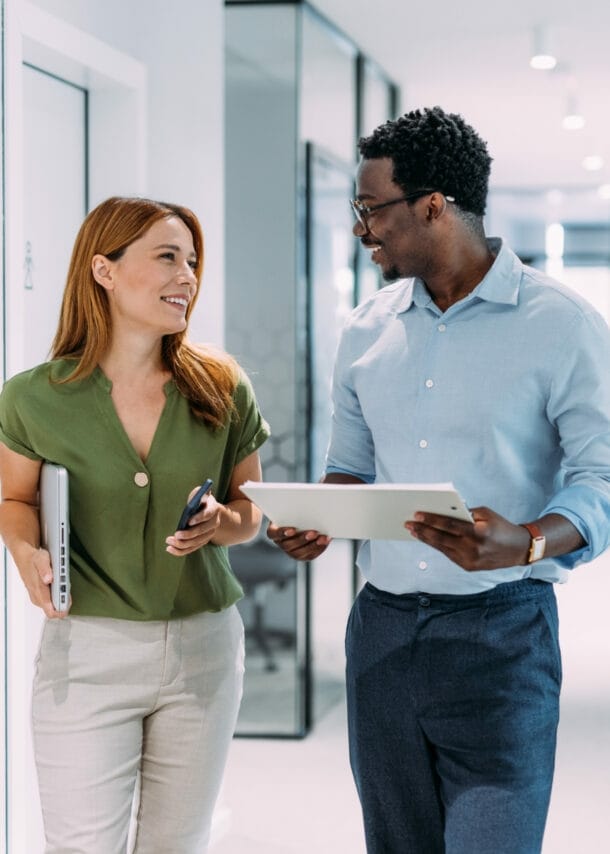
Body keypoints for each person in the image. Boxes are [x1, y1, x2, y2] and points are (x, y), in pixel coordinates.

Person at [267, 106, 610, 853]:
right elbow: (350, 472)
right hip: (382, 637)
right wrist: (318, 518)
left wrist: (524, 542)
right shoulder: (365, 332)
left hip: (502, 638)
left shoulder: (563, 326)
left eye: (372, 210)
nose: (363, 230)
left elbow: (601, 480)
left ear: (432, 207)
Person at [0, 196, 270, 853]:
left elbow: (253, 511)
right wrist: (26, 551)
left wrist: (222, 522)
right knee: (82, 845)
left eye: (194, 262)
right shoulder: (34, 395)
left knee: (177, 844)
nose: (188, 276)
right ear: (105, 270)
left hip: (203, 651)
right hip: (86, 654)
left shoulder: (222, 386)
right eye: (168, 258)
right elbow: (15, 501)